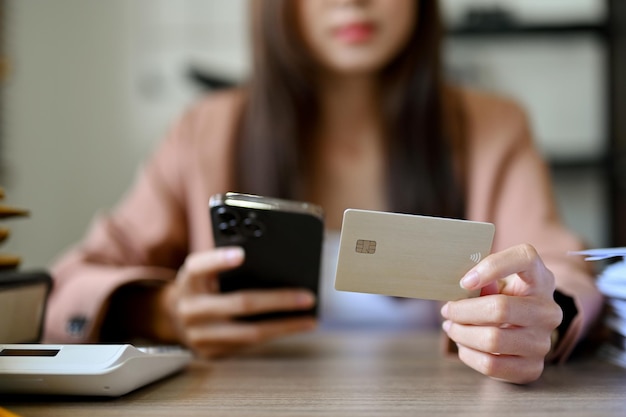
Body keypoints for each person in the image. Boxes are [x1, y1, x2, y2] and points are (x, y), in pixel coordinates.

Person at [43, 0, 603, 384]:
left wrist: (542, 320)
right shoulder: (204, 132)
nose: (353, 1)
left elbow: (563, 272)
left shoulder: (494, 126)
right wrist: (164, 312)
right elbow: (69, 284)